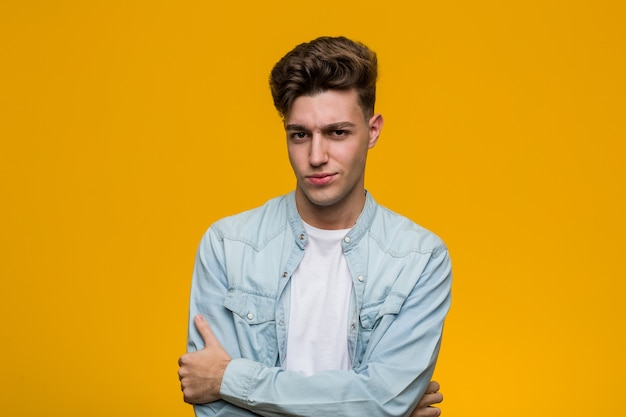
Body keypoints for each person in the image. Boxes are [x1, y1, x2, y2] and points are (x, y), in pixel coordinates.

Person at [178, 36, 452, 417]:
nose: (316, 156)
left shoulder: (421, 259)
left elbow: (383, 401)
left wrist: (229, 379)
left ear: (372, 131)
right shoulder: (227, 245)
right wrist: (373, 407)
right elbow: (218, 412)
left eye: (338, 133)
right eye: (300, 135)